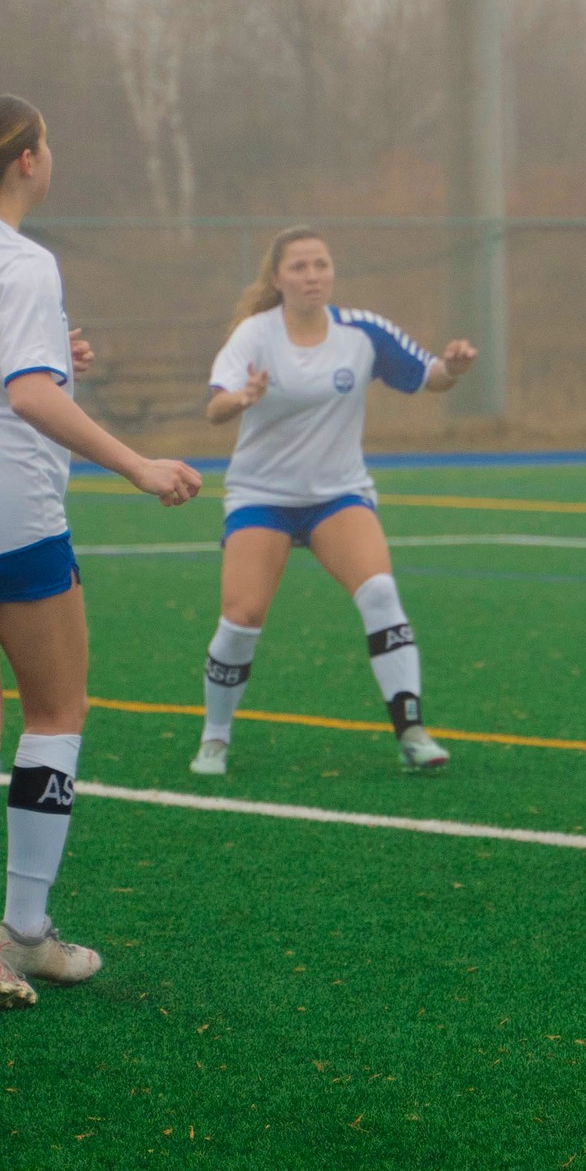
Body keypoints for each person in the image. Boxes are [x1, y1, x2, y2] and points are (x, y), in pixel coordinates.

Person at [0, 94, 202, 1009]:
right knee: (55, 713)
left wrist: (56, 358)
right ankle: (25, 931)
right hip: (3, 512)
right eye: (47, 143)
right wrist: (137, 464)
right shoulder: (23, 260)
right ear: (26, 160)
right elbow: (25, 397)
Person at [190, 227, 476, 777]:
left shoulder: (362, 332)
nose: (312, 276)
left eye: (320, 265)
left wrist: (454, 368)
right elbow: (214, 408)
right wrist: (243, 397)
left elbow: (428, 377)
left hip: (338, 496)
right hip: (262, 497)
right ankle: (215, 738)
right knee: (240, 618)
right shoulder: (255, 334)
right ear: (278, 278)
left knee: (381, 593)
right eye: (299, 267)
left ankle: (412, 730)